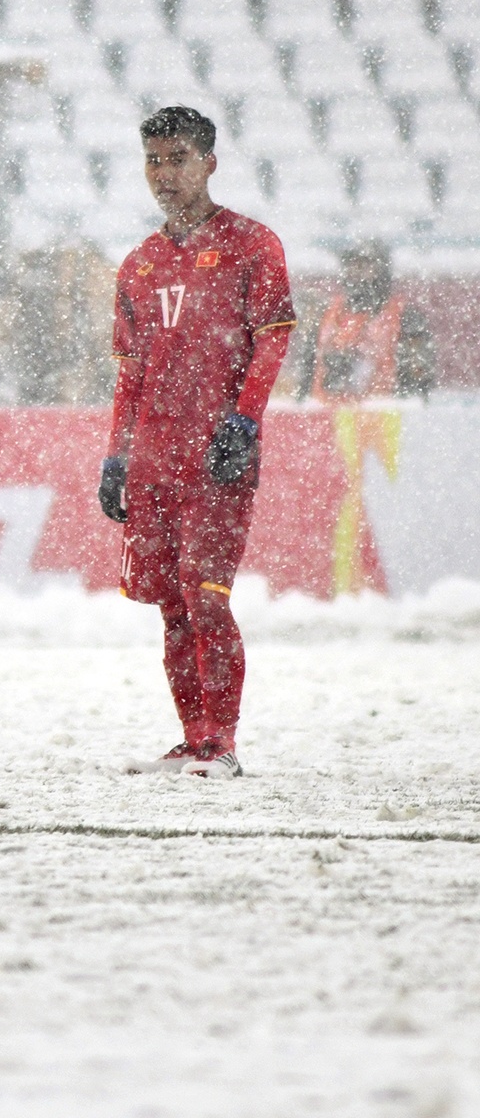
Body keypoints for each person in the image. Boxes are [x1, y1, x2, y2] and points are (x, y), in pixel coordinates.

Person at [97, 106, 296, 779]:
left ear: (210, 162)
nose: (165, 174)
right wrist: (117, 454)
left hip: (218, 454)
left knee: (206, 593)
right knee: (171, 605)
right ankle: (191, 737)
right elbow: (131, 372)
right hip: (154, 459)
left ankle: (223, 741)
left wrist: (244, 419)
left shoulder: (250, 244)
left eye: (178, 158)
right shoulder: (140, 264)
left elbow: (273, 337)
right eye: (154, 160)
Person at [292, 240, 435, 402]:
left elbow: (419, 375)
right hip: (326, 418)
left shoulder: (405, 316)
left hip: (381, 418)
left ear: (382, 271)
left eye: (365, 266)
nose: (356, 273)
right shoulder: (327, 314)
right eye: (351, 266)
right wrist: (302, 402)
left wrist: (403, 403)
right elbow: (307, 370)